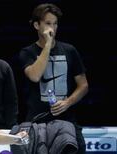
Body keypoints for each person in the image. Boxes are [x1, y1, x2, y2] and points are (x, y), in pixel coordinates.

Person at [18, 3, 89, 154]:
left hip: (67, 121)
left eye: (55, 23)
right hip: (37, 122)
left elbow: (83, 85)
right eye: (48, 23)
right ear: (37, 25)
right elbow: (35, 76)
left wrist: (67, 102)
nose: (53, 28)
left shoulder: (70, 50)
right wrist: (48, 44)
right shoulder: (27, 53)